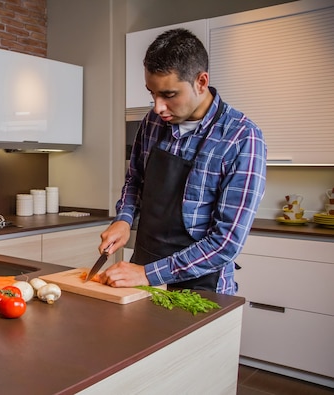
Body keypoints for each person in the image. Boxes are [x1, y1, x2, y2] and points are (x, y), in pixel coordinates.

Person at [98, 28, 266, 295]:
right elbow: (135, 180)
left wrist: (148, 274)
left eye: (169, 94)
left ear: (201, 81)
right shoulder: (152, 123)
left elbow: (225, 243)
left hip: (202, 289)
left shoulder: (242, 138)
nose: (157, 107)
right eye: (152, 94)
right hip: (140, 278)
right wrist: (124, 219)